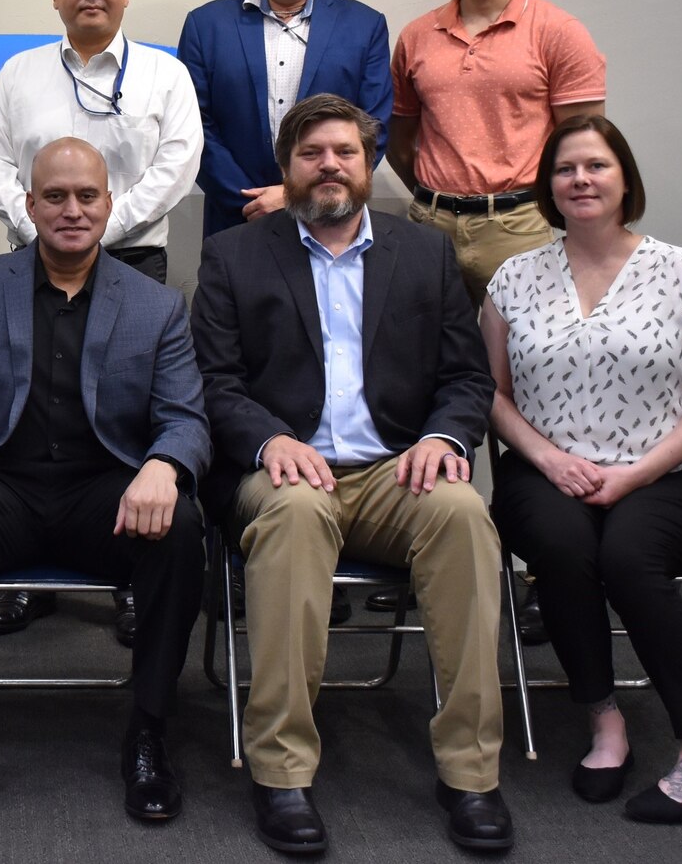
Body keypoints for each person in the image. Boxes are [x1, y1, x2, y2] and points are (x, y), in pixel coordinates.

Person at [192, 93, 512, 854]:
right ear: (287, 168)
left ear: (368, 162)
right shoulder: (235, 256)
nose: (329, 164)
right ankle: (282, 773)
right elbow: (211, 380)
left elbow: (467, 380)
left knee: (466, 515)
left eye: (344, 150)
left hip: (396, 469)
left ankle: (470, 772)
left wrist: (444, 437)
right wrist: (269, 439)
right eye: (311, 153)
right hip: (283, 472)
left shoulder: (424, 253)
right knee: (297, 515)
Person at [0, 139, 211, 831]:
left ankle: (149, 729)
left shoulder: (157, 306)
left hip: (107, 496)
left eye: (86, 195)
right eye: (55, 196)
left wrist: (165, 465)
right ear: (29, 204)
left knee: (180, 525)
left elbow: (187, 416)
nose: (71, 209)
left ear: (109, 203)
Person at [481, 115, 682, 824]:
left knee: (627, 555)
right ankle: (604, 719)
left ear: (625, 179)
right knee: (563, 548)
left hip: (671, 476)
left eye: (596, 166)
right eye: (566, 169)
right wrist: (549, 458)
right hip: (546, 472)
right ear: (549, 186)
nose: (581, 179)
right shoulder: (514, 276)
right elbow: (493, 395)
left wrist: (635, 475)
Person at [0, 0, 200, 639]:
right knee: (38, 416)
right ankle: (25, 572)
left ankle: (130, 571)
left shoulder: (166, 74)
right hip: (36, 267)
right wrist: (46, 225)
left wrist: (104, 227)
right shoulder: (19, 73)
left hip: (135, 266)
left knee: (124, 428)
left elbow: (177, 163)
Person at [387, 0, 605, 305]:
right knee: (429, 358)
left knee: (522, 359)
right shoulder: (417, 36)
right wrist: (435, 197)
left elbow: (583, 146)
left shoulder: (558, 31)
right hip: (430, 227)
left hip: (518, 226)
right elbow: (399, 140)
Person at [177, 0, 393, 237]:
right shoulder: (206, 25)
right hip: (237, 222)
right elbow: (195, 127)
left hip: (330, 220)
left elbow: (373, 128)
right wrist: (252, 201)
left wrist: (294, 195)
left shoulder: (364, 26)